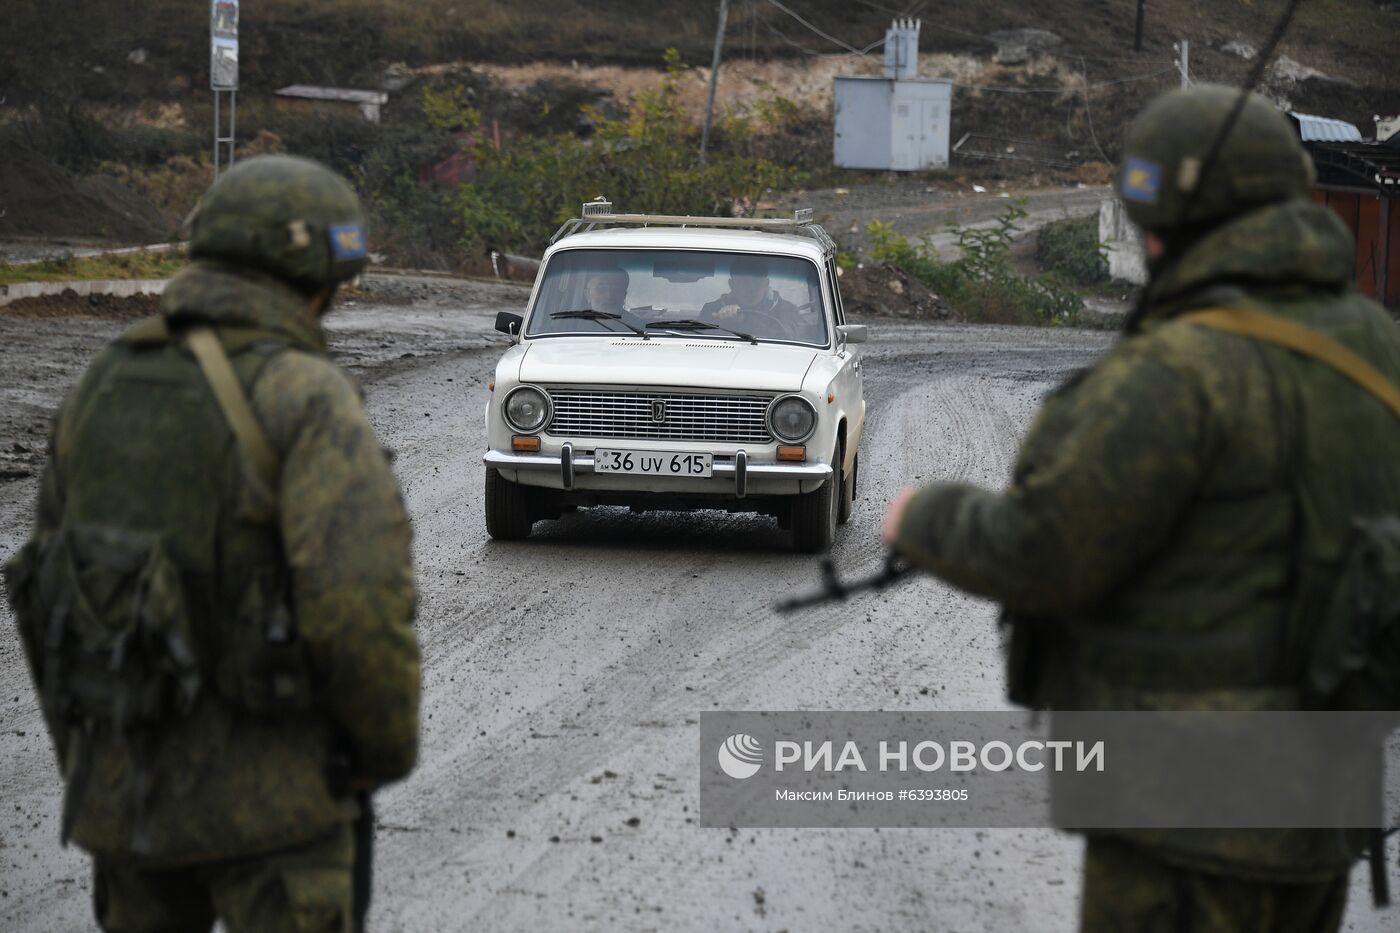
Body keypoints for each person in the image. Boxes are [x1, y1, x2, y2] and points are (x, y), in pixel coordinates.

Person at [882, 85, 1400, 932]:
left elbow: (1046, 550)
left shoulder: (1179, 371)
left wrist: (924, 514)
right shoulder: (1379, 349)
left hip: (1185, 817)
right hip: (1324, 807)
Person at [4, 154, 420, 932]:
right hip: (280, 810)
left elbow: (49, 599)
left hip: (131, 801)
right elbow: (359, 604)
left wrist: (96, 766)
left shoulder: (104, 381)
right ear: (316, 273)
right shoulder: (306, 395)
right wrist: (379, 752)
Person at [701, 256, 798, 336]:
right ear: (732, 284)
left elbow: (789, 337)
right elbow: (701, 339)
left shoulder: (786, 310)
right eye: (743, 282)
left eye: (756, 282)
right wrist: (721, 320)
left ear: (766, 284)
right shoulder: (712, 309)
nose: (750, 289)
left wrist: (743, 320)